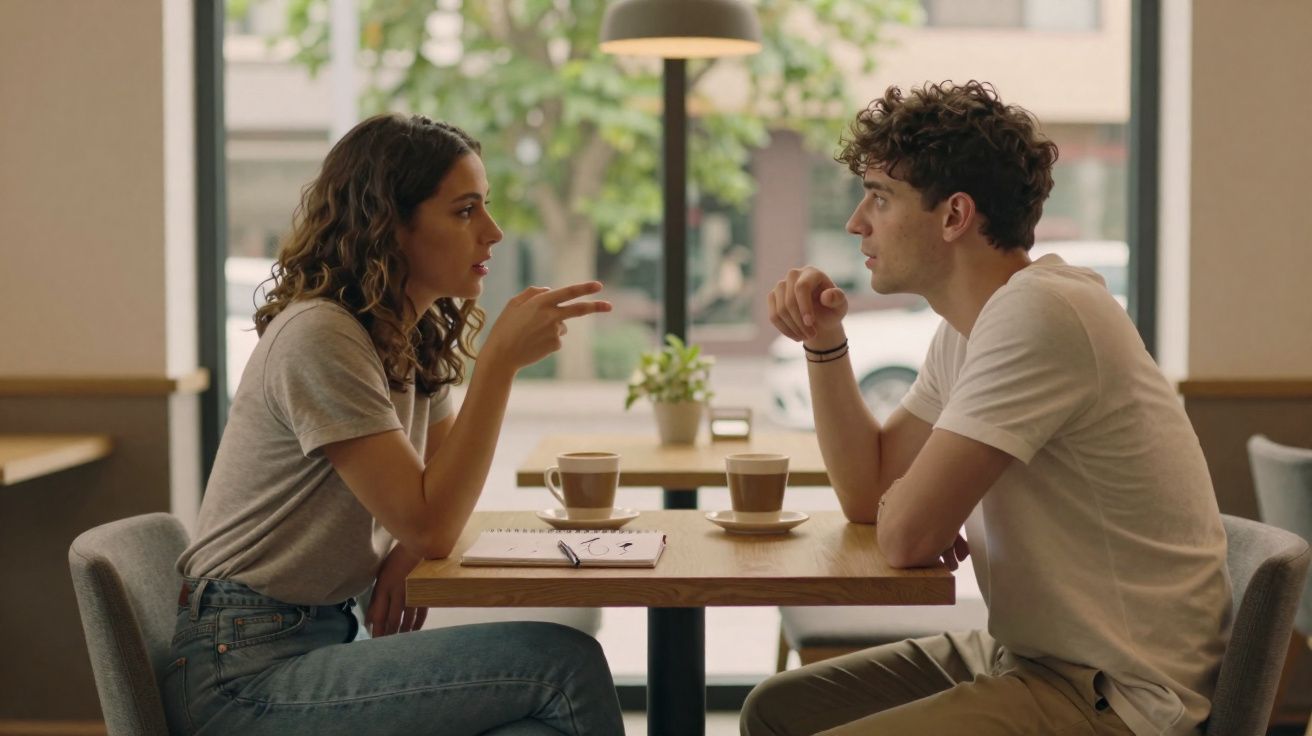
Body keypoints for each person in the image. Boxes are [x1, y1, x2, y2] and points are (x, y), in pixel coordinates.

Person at [743, 81, 1231, 735]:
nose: (857, 221)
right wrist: (823, 342)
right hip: (1028, 659)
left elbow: (904, 533)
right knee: (777, 712)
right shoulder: (970, 326)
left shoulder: (1041, 313)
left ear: (953, 216)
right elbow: (871, 494)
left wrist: (915, 510)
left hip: (1118, 694)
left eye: (881, 198)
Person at [168, 114, 625, 735]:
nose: (492, 233)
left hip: (318, 637)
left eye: (485, 207)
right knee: (563, 666)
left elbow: (436, 502)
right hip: (242, 672)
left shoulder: (408, 334)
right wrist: (497, 366)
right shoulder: (321, 336)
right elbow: (435, 523)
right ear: (389, 225)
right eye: (465, 212)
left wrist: (409, 544)